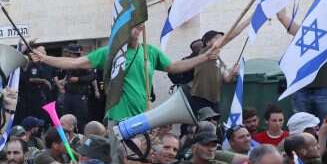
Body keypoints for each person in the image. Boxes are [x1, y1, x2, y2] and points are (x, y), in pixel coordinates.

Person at [30, 26, 218, 124]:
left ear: (141, 29)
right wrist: (45, 59)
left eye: (135, 26)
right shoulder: (108, 52)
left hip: (145, 117)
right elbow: (75, 62)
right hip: (118, 118)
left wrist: (203, 58)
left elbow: (175, 67)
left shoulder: (150, 52)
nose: (130, 30)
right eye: (127, 25)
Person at [189, 30, 238, 114]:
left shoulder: (220, 61)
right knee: (204, 124)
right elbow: (216, 46)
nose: (221, 40)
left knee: (215, 124)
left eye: (221, 38)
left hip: (214, 100)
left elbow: (227, 79)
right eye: (216, 38)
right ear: (207, 43)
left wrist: (232, 73)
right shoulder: (203, 54)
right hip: (200, 97)